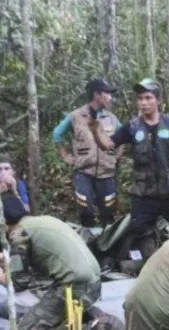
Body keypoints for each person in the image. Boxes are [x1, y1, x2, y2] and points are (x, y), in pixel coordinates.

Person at [90, 78, 169, 250]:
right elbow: (108, 145)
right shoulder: (132, 127)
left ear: (159, 101)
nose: (144, 103)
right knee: (137, 234)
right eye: (140, 98)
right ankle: (144, 264)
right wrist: (95, 131)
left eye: (148, 98)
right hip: (144, 194)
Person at [0, 195, 102, 330]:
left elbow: (19, 282)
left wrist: (1, 277)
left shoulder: (18, 233)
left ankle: (90, 329)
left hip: (76, 288)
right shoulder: (43, 220)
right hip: (94, 283)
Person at [52, 78, 123, 227]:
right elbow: (57, 134)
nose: (110, 97)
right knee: (85, 210)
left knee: (108, 211)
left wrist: (116, 156)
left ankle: (107, 243)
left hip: (107, 173)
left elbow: (123, 137)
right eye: (107, 93)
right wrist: (65, 156)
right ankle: (87, 241)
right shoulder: (76, 116)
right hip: (84, 172)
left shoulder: (111, 118)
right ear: (97, 95)